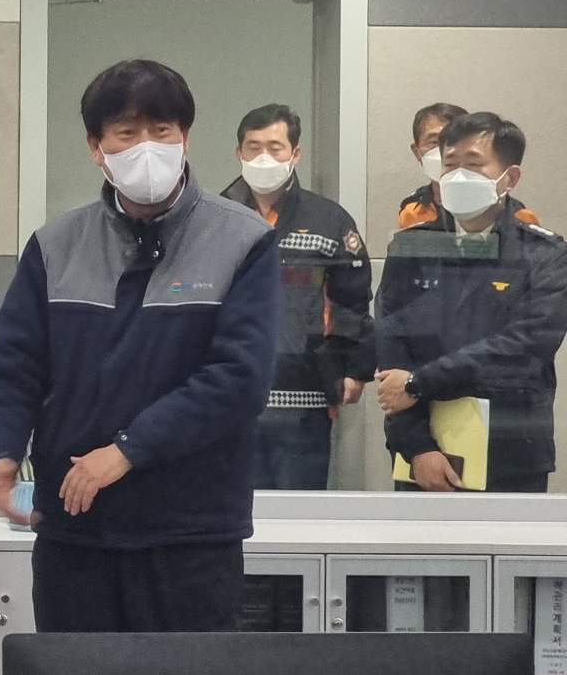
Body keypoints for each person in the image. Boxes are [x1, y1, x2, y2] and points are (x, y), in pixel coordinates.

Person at [0, 59, 279, 633]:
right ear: (97, 147)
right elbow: (12, 367)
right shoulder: (55, 245)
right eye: (126, 133)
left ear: (185, 137)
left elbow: (240, 378)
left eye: (162, 131)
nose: (146, 148)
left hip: (190, 534)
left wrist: (127, 450)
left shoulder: (243, 240)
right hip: (75, 533)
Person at [376, 112, 567, 494]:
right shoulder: (411, 247)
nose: (459, 176)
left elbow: (525, 347)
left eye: (474, 165)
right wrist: (417, 447)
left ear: (509, 178)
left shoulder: (544, 254)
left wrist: (418, 383)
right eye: (450, 165)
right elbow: (391, 354)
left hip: (511, 450)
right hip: (424, 454)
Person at [221, 104, 371, 491]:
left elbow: (352, 299)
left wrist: (354, 367)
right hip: (228, 396)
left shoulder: (329, 220)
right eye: (253, 147)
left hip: (306, 398)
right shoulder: (215, 218)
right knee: (229, 507)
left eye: (275, 147)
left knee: (299, 507)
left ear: (295, 153)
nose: (264, 157)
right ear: (239, 153)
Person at [398, 103, 466, 229]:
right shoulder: (413, 211)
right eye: (434, 142)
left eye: (454, 140)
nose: (446, 151)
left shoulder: (495, 206)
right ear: (417, 152)